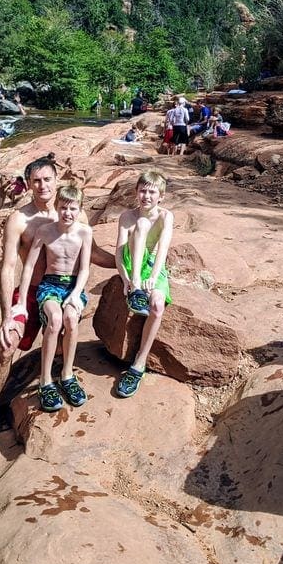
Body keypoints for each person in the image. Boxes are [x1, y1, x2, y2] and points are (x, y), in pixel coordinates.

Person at [0, 156, 61, 451]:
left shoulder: (70, 213)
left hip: (59, 291)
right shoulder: (19, 219)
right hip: (30, 292)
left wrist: (127, 270)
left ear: (56, 179)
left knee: (65, 330)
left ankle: (55, 383)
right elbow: (8, 267)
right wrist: (7, 315)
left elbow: (92, 251)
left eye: (47, 179)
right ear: (29, 184)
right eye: (36, 180)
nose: (42, 185)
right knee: (7, 343)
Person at [15, 185, 92, 412]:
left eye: (73, 209)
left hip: (73, 286)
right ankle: (46, 380)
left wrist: (76, 295)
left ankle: (67, 375)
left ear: (80, 210)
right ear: (57, 207)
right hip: (50, 285)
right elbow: (29, 266)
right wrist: (21, 302)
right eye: (63, 208)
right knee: (55, 319)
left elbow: (85, 268)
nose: (67, 213)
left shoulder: (85, 232)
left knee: (70, 318)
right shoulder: (46, 231)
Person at [113, 170, 174, 398]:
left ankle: (139, 363)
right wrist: (127, 279)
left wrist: (154, 276)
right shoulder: (127, 217)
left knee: (157, 307)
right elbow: (119, 252)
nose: (146, 196)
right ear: (136, 192)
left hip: (152, 266)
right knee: (141, 223)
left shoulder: (166, 216)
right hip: (133, 265)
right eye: (142, 191)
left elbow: (163, 250)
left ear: (161, 196)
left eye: (152, 192)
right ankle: (136, 288)